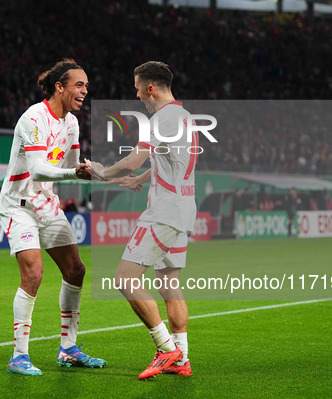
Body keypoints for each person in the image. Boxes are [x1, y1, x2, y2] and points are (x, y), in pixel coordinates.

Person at [0, 59, 105, 376]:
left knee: (76, 270)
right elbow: (39, 169)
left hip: (47, 203)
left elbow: (70, 171)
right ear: (60, 87)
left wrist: (100, 175)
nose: (85, 90)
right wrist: (75, 171)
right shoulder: (34, 118)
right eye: (79, 85)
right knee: (33, 275)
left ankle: (68, 349)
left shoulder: (71, 123)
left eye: (86, 85)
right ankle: (19, 356)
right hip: (19, 205)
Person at [89, 61, 194, 380]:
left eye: (137, 88)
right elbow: (172, 161)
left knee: (125, 278)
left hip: (163, 212)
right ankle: (182, 358)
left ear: (151, 87)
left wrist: (102, 173)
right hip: (184, 208)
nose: (136, 95)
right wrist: (143, 179)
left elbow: (134, 158)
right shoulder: (185, 116)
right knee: (169, 285)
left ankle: (165, 349)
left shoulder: (161, 118)